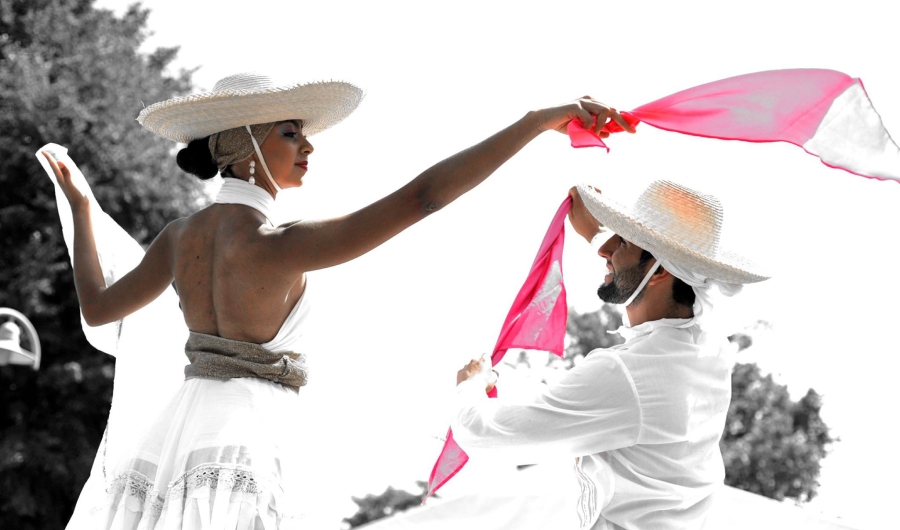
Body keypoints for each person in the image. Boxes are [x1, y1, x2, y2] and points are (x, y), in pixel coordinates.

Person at [39, 72, 634, 529]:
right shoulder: (281, 244)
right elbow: (423, 197)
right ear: (245, 143)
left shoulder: (178, 240)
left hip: (177, 437)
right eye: (291, 132)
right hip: (249, 437)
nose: (309, 147)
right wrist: (534, 123)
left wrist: (84, 211)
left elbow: (95, 308)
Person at [452, 180, 770, 529]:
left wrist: (471, 385)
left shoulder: (625, 374)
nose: (605, 252)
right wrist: (606, 237)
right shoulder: (710, 350)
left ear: (660, 271)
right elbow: (643, 276)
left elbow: (484, 434)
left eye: (622, 242)